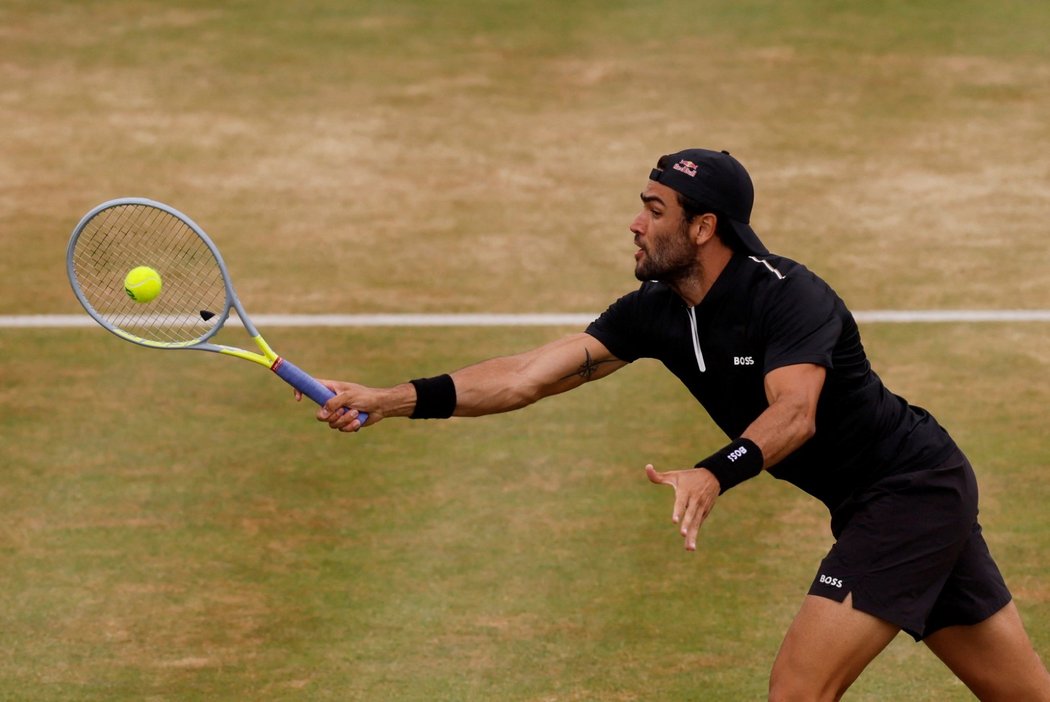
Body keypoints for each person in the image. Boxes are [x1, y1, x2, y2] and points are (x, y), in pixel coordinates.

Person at [303, 148, 1050, 700]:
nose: (634, 223)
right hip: (888, 500)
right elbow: (528, 376)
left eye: (653, 209)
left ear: (702, 227)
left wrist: (714, 472)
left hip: (911, 494)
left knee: (797, 691)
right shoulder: (656, 314)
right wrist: (388, 398)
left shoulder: (791, 298)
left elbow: (794, 414)